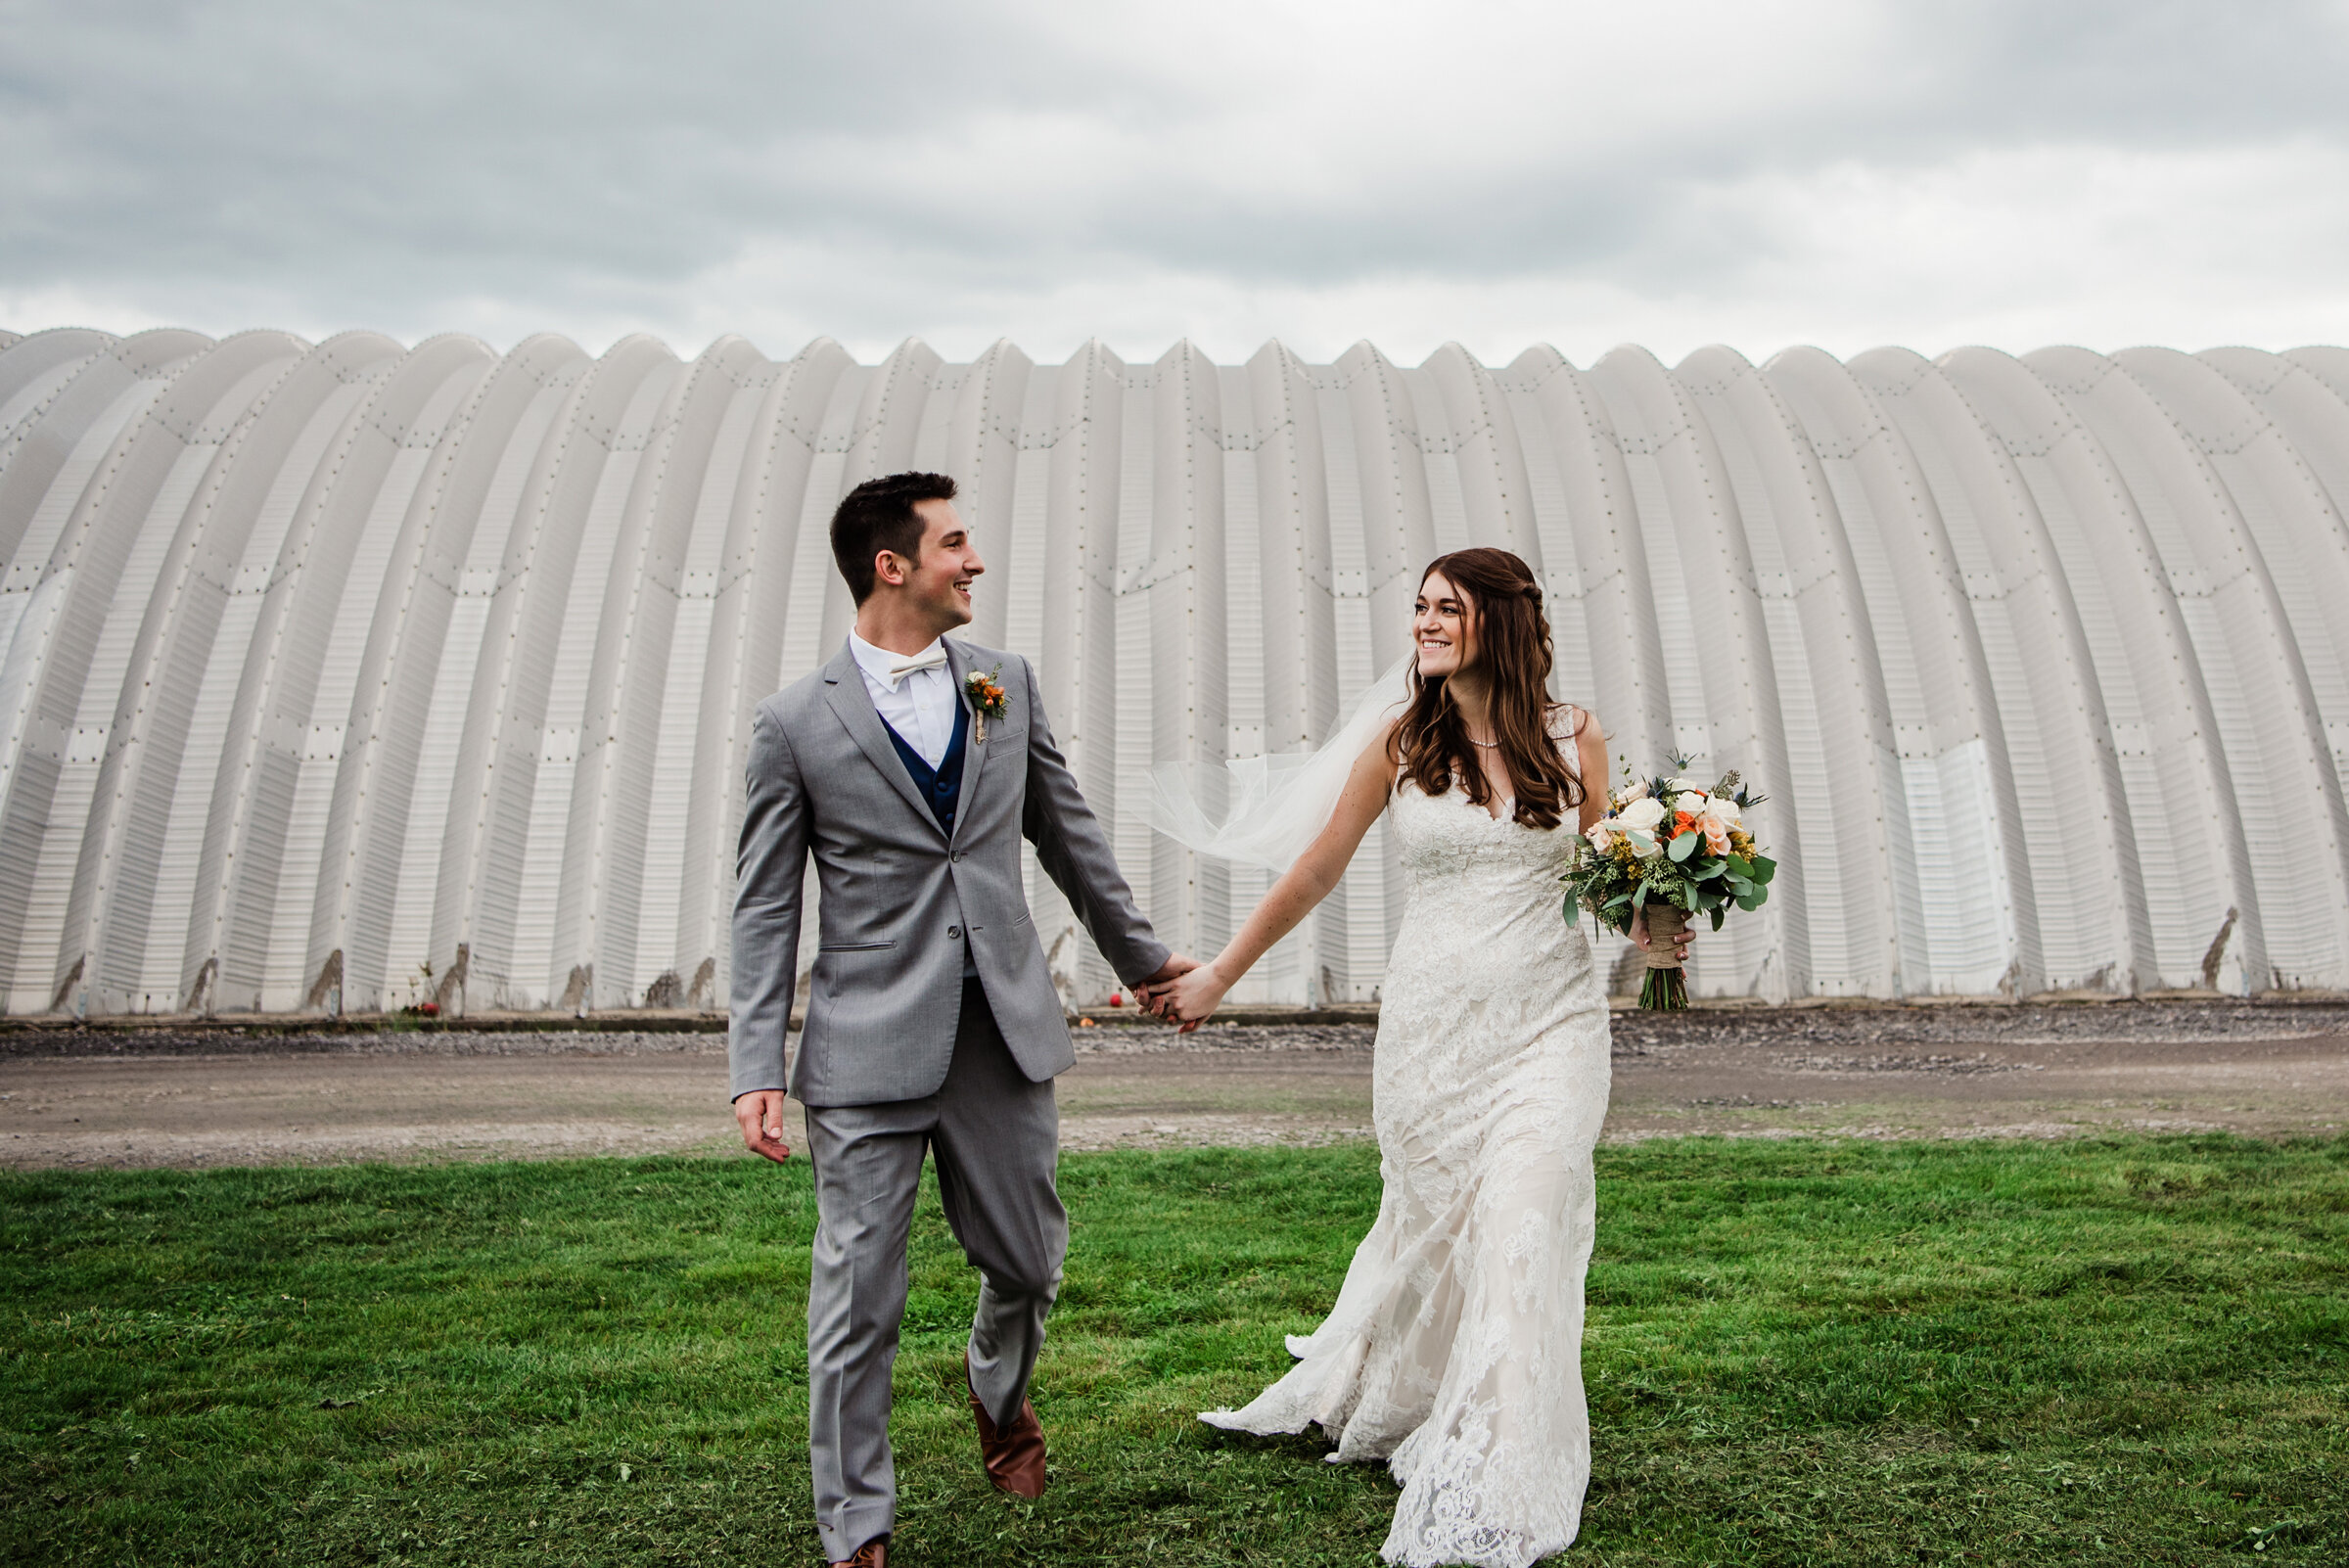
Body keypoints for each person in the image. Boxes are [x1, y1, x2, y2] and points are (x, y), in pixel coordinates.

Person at [1143, 547, 1690, 1568]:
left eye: (1448, 609)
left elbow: (1613, 881)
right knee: (1439, 1234)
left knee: (1526, 1222)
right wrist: (1219, 975)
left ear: (1502, 621)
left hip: (1553, 1026)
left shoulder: (1578, 737)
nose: (1426, 624)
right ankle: (1415, 1393)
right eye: (1420, 608)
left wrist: (1662, 927)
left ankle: (1502, 1476)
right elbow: (1311, 875)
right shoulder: (1401, 743)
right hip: (1434, 1035)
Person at [728, 471, 1197, 1568]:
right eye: (954, 544)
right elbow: (763, 906)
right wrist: (756, 1060)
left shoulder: (1005, 684)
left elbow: (1066, 834)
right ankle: (856, 1525)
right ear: (893, 566)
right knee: (857, 1297)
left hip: (1001, 1031)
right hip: (862, 1045)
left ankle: (1000, 1395)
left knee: (1029, 1265)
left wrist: (1144, 960)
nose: (973, 561)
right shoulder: (794, 723)